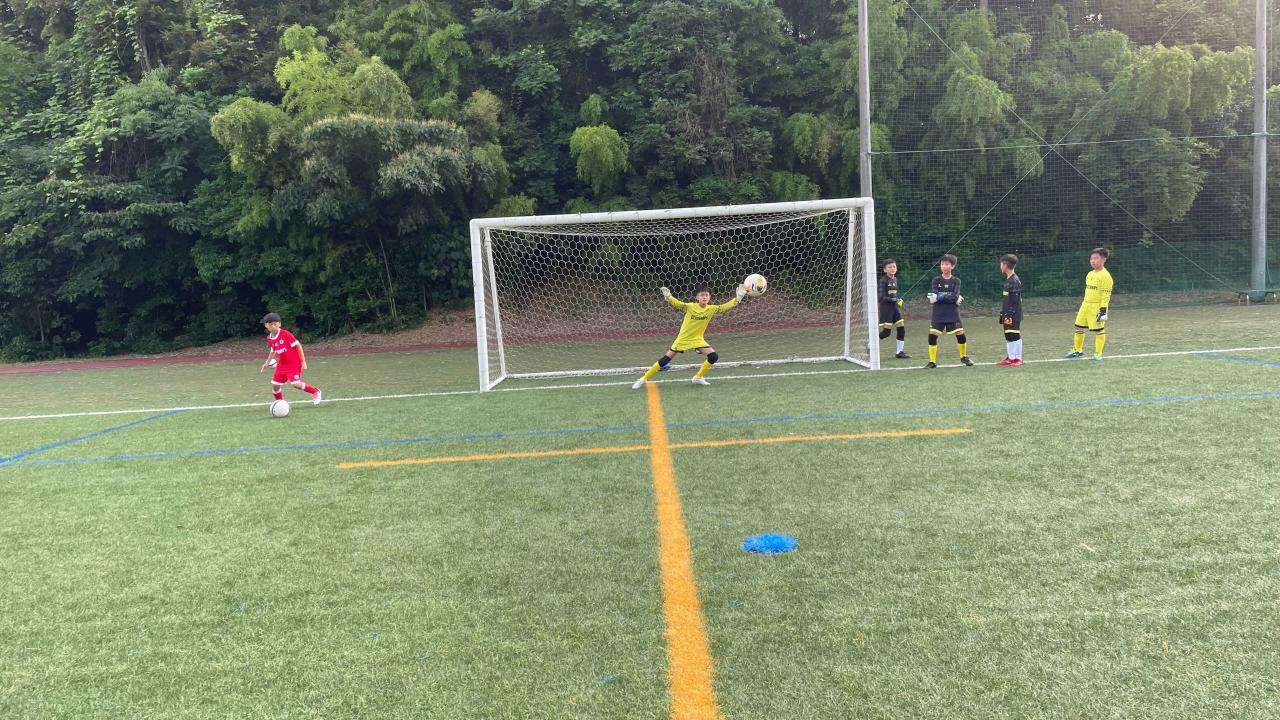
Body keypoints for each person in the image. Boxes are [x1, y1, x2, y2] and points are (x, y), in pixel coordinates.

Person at [632, 283, 748, 388]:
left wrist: (738, 298)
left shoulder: (711, 309)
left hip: (697, 339)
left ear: (709, 297)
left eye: (706, 295)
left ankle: (698, 377)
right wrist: (669, 297)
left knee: (713, 357)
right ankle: (643, 379)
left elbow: (724, 307)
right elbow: (678, 304)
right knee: (665, 360)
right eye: (702, 295)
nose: (704, 297)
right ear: (697, 297)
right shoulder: (690, 306)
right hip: (683, 339)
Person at [260, 312, 322, 404]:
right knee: (275, 386)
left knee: (296, 384)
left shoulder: (285, 334)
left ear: (279, 324)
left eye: (275, 324)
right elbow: (273, 350)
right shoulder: (269, 338)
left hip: (293, 364)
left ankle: (315, 391)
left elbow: (298, 345)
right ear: (266, 325)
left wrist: (303, 361)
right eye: (270, 324)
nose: (273, 326)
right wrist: (267, 363)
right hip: (281, 365)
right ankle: (280, 403)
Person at [1064, 248, 1113, 360]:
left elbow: (1106, 294)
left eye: (1096, 258)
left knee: (1099, 330)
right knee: (1078, 326)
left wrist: (1103, 309)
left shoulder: (1106, 276)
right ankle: (1077, 350)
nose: (1093, 261)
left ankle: (1098, 353)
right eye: (1091, 258)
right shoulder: (1090, 274)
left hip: (1097, 306)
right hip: (1085, 305)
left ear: (1104, 259)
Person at [925, 254, 973, 368]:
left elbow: (955, 296)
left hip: (952, 312)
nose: (944, 266)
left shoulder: (956, 281)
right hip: (938, 312)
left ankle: (964, 357)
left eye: (947, 264)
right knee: (932, 335)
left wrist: (940, 297)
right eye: (942, 264)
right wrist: (946, 297)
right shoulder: (936, 280)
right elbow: (936, 293)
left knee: (960, 334)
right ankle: (932, 362)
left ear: (952, 266)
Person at [996, 254, 1024, 366]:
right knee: (1008, 335)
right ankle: (1010, 357)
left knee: (1014, 334)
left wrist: (1010, 313)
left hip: (1014, 315)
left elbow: (1015, 300)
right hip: (1007, 314)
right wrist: (1004, 313)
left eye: (1001, 264)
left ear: (1005, 265)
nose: (1000, 266)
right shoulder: (1008, 280)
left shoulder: (1014, 280)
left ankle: (1018, 358)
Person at [877, 259, 910, 359]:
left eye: (894, 266)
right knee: (886, 333)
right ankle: (871, 344)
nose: (892, 268)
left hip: (894, 308)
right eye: (890, 267)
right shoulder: (883, 280)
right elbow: (881, 297)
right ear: (885, 270)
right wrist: (893, 299)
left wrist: (898, 300)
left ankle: (899, 352)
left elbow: (894, 295)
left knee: (901, 328)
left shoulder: (895, 279)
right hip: (886, 309)